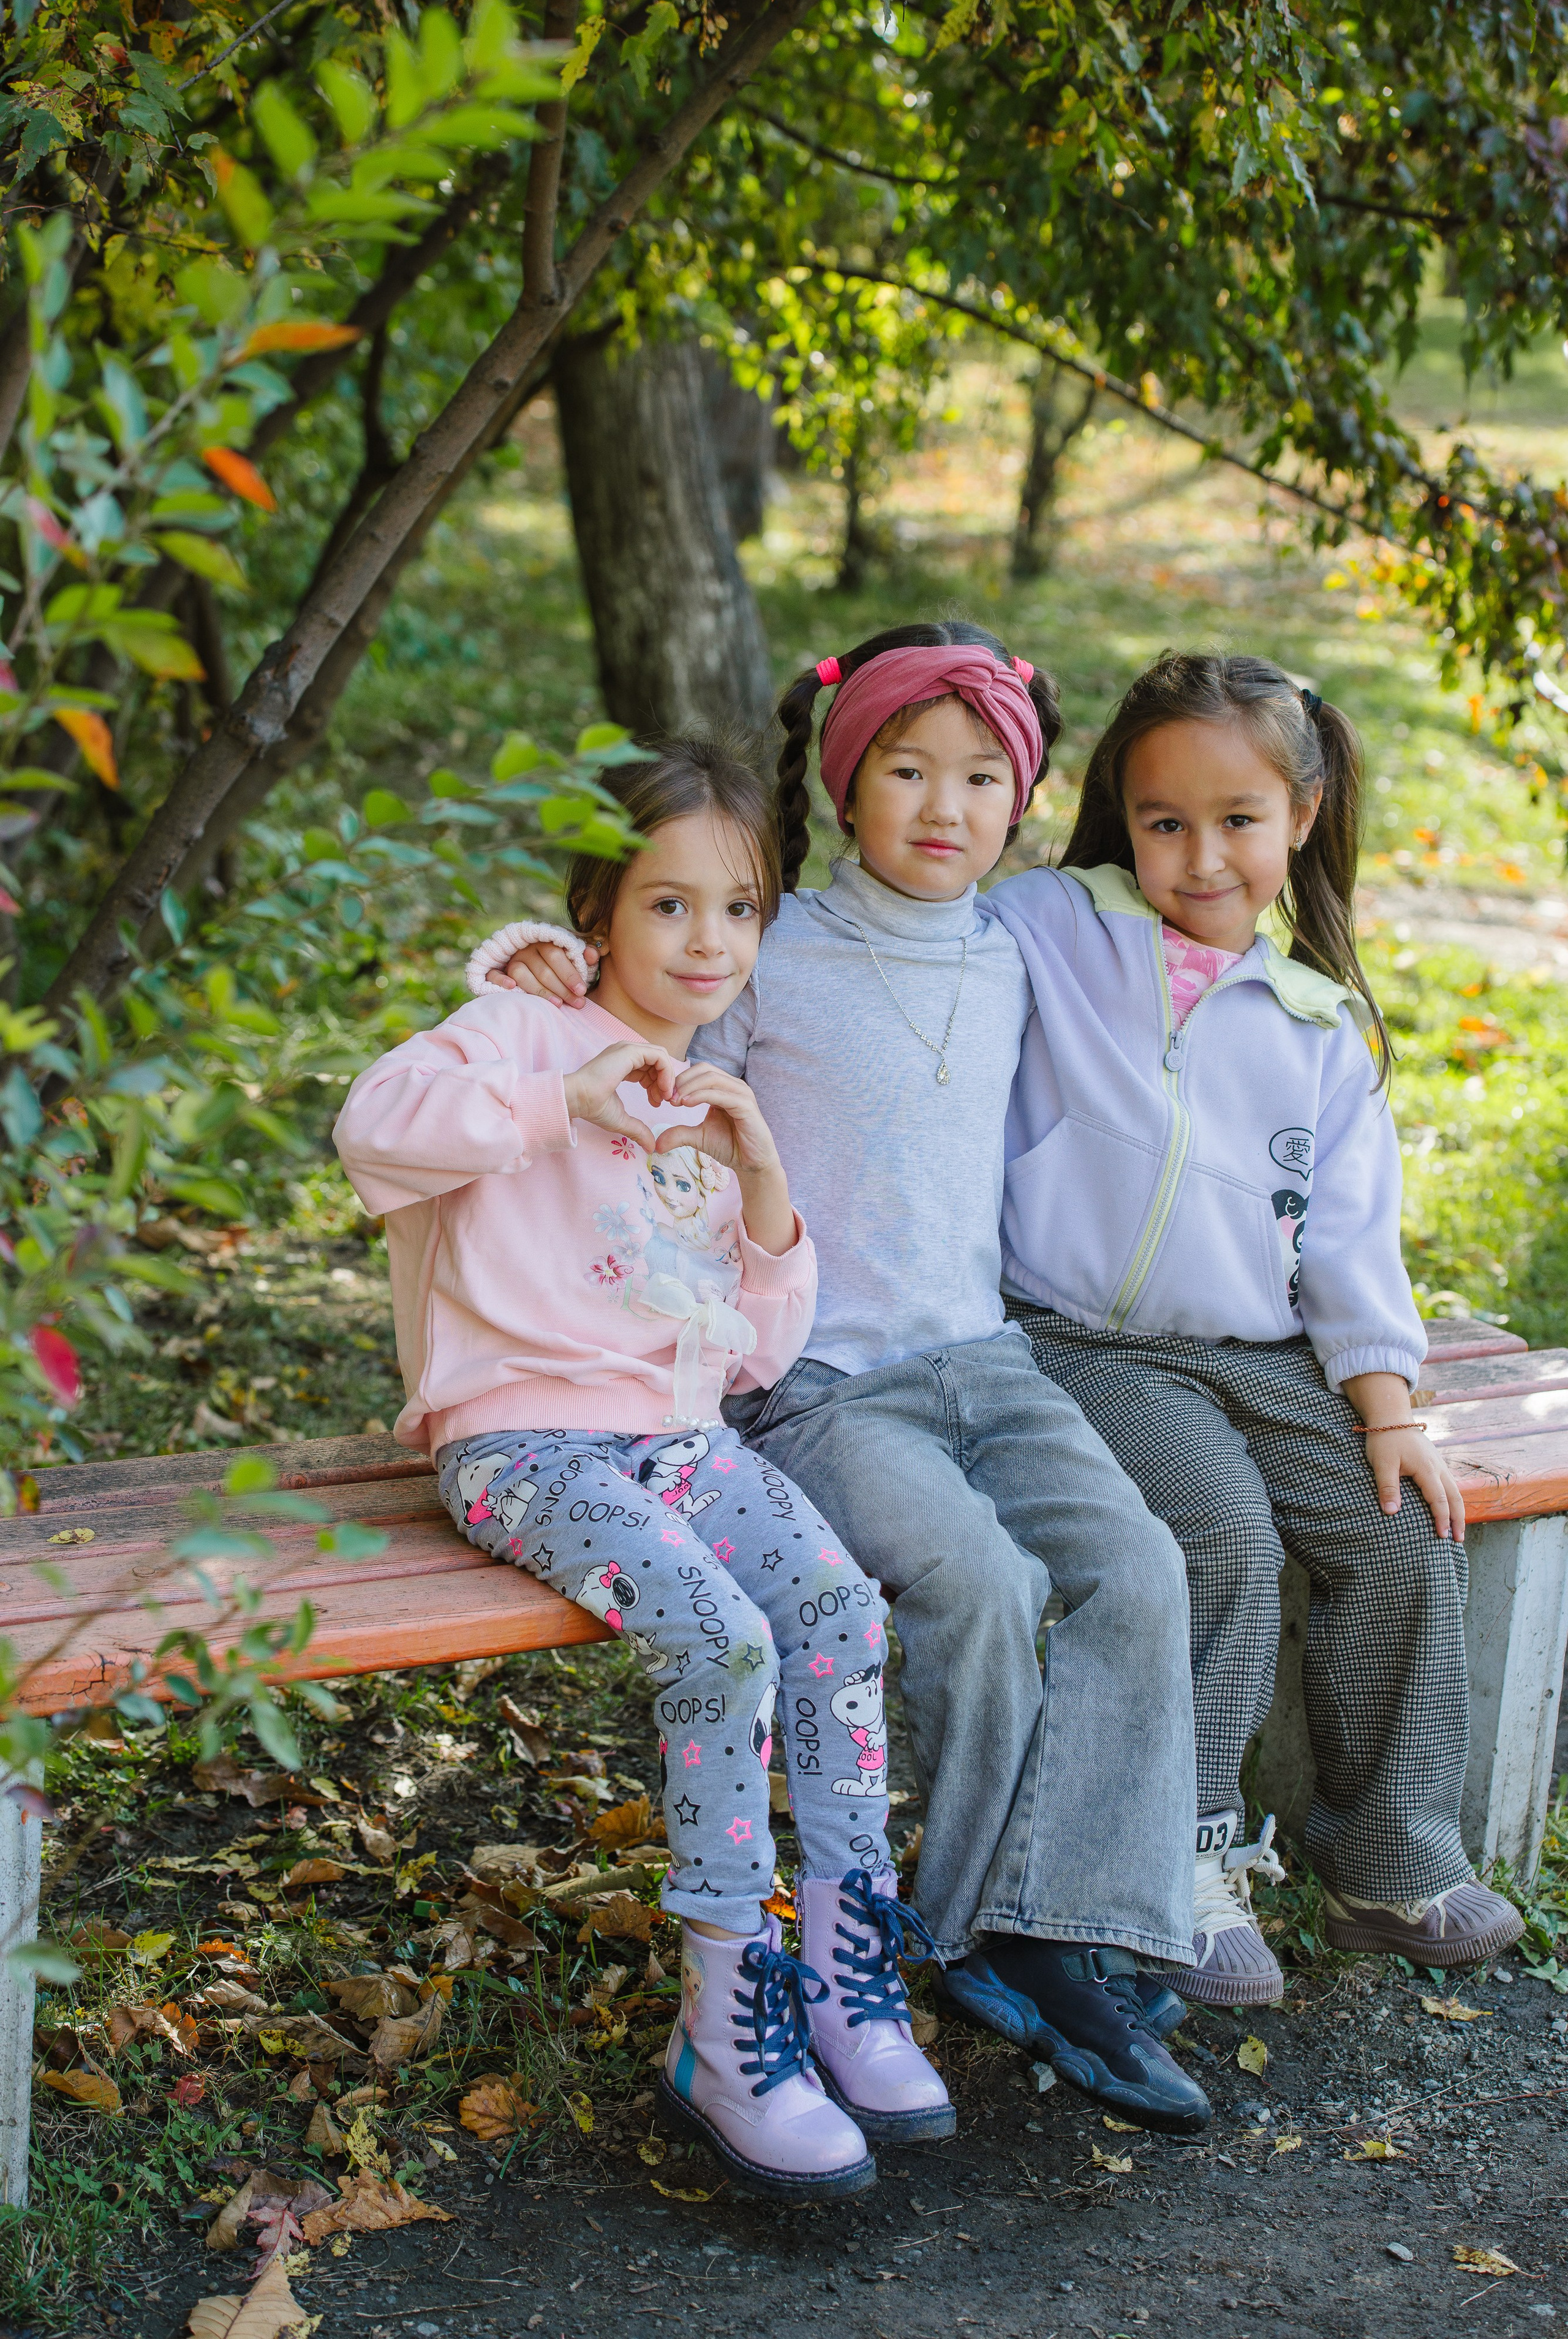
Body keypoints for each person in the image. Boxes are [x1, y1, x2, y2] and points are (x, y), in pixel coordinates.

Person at [468, 625, 1212, 2137]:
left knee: (1136, 1565)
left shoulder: (1023, 943)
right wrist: (531, 972)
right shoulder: (771, 944)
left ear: (1023, 798)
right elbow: (635, 1020)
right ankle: (959, 1937)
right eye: (903, 771)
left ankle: (1068, 1924)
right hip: (814, 1385)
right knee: (983, 1588)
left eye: (978, 777)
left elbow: (1193, 916)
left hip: (986, 1360)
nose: (942, 805)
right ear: (843, 781)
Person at [334, 739, 952, 2205]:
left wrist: (757, 1179)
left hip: (678, 1439)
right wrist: (562, 1095)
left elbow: (750, 1354)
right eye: (668, 907)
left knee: (835, 1611)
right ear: (599, 909)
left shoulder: (706, 1088)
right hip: (519, 1447)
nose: (707, 943)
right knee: (718, 1632)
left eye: (738, 909)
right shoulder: (510, 1031)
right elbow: (372, 1130)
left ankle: (838, 1976)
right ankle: (720, 2018)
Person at [990, 652, 1523, 2003]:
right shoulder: (1051, 924)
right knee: (1213, 1525)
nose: (1200, 855)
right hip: (1075, 1340)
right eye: (1164, 821)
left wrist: (1386, 1409)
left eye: (1236, 820)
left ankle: (1387, 1858)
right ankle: (1177, 1858)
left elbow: (1349, 1243)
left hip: (1257, 1349)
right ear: (1121, 812)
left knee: (1398, 1524)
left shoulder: (1317, 1026)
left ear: (1299, 812)